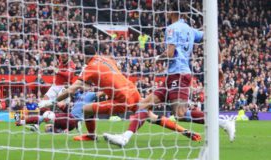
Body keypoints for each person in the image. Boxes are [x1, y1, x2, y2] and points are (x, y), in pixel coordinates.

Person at [104, 1, 235, 147]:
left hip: (178, 75)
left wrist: (155, 59)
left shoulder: (172, 28)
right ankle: (125, 137)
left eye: (167, 11)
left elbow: (170, 53)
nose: (165, 13)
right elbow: (212, 37)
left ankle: (223, 122)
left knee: (181, 114)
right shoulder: (190, 30)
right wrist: (218, 65)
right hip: (174, 76)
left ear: (172, 12)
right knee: (143, 105)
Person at [55, 45, 200, 142]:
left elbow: (72, 89)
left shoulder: (90, 67)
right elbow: (109, 75)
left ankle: (92, 136)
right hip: (131, 89)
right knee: (151, 116)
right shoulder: (106, 58)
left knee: (85, 109)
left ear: (84, 56)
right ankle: (184, 131)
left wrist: (54, 100)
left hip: (121, 98)